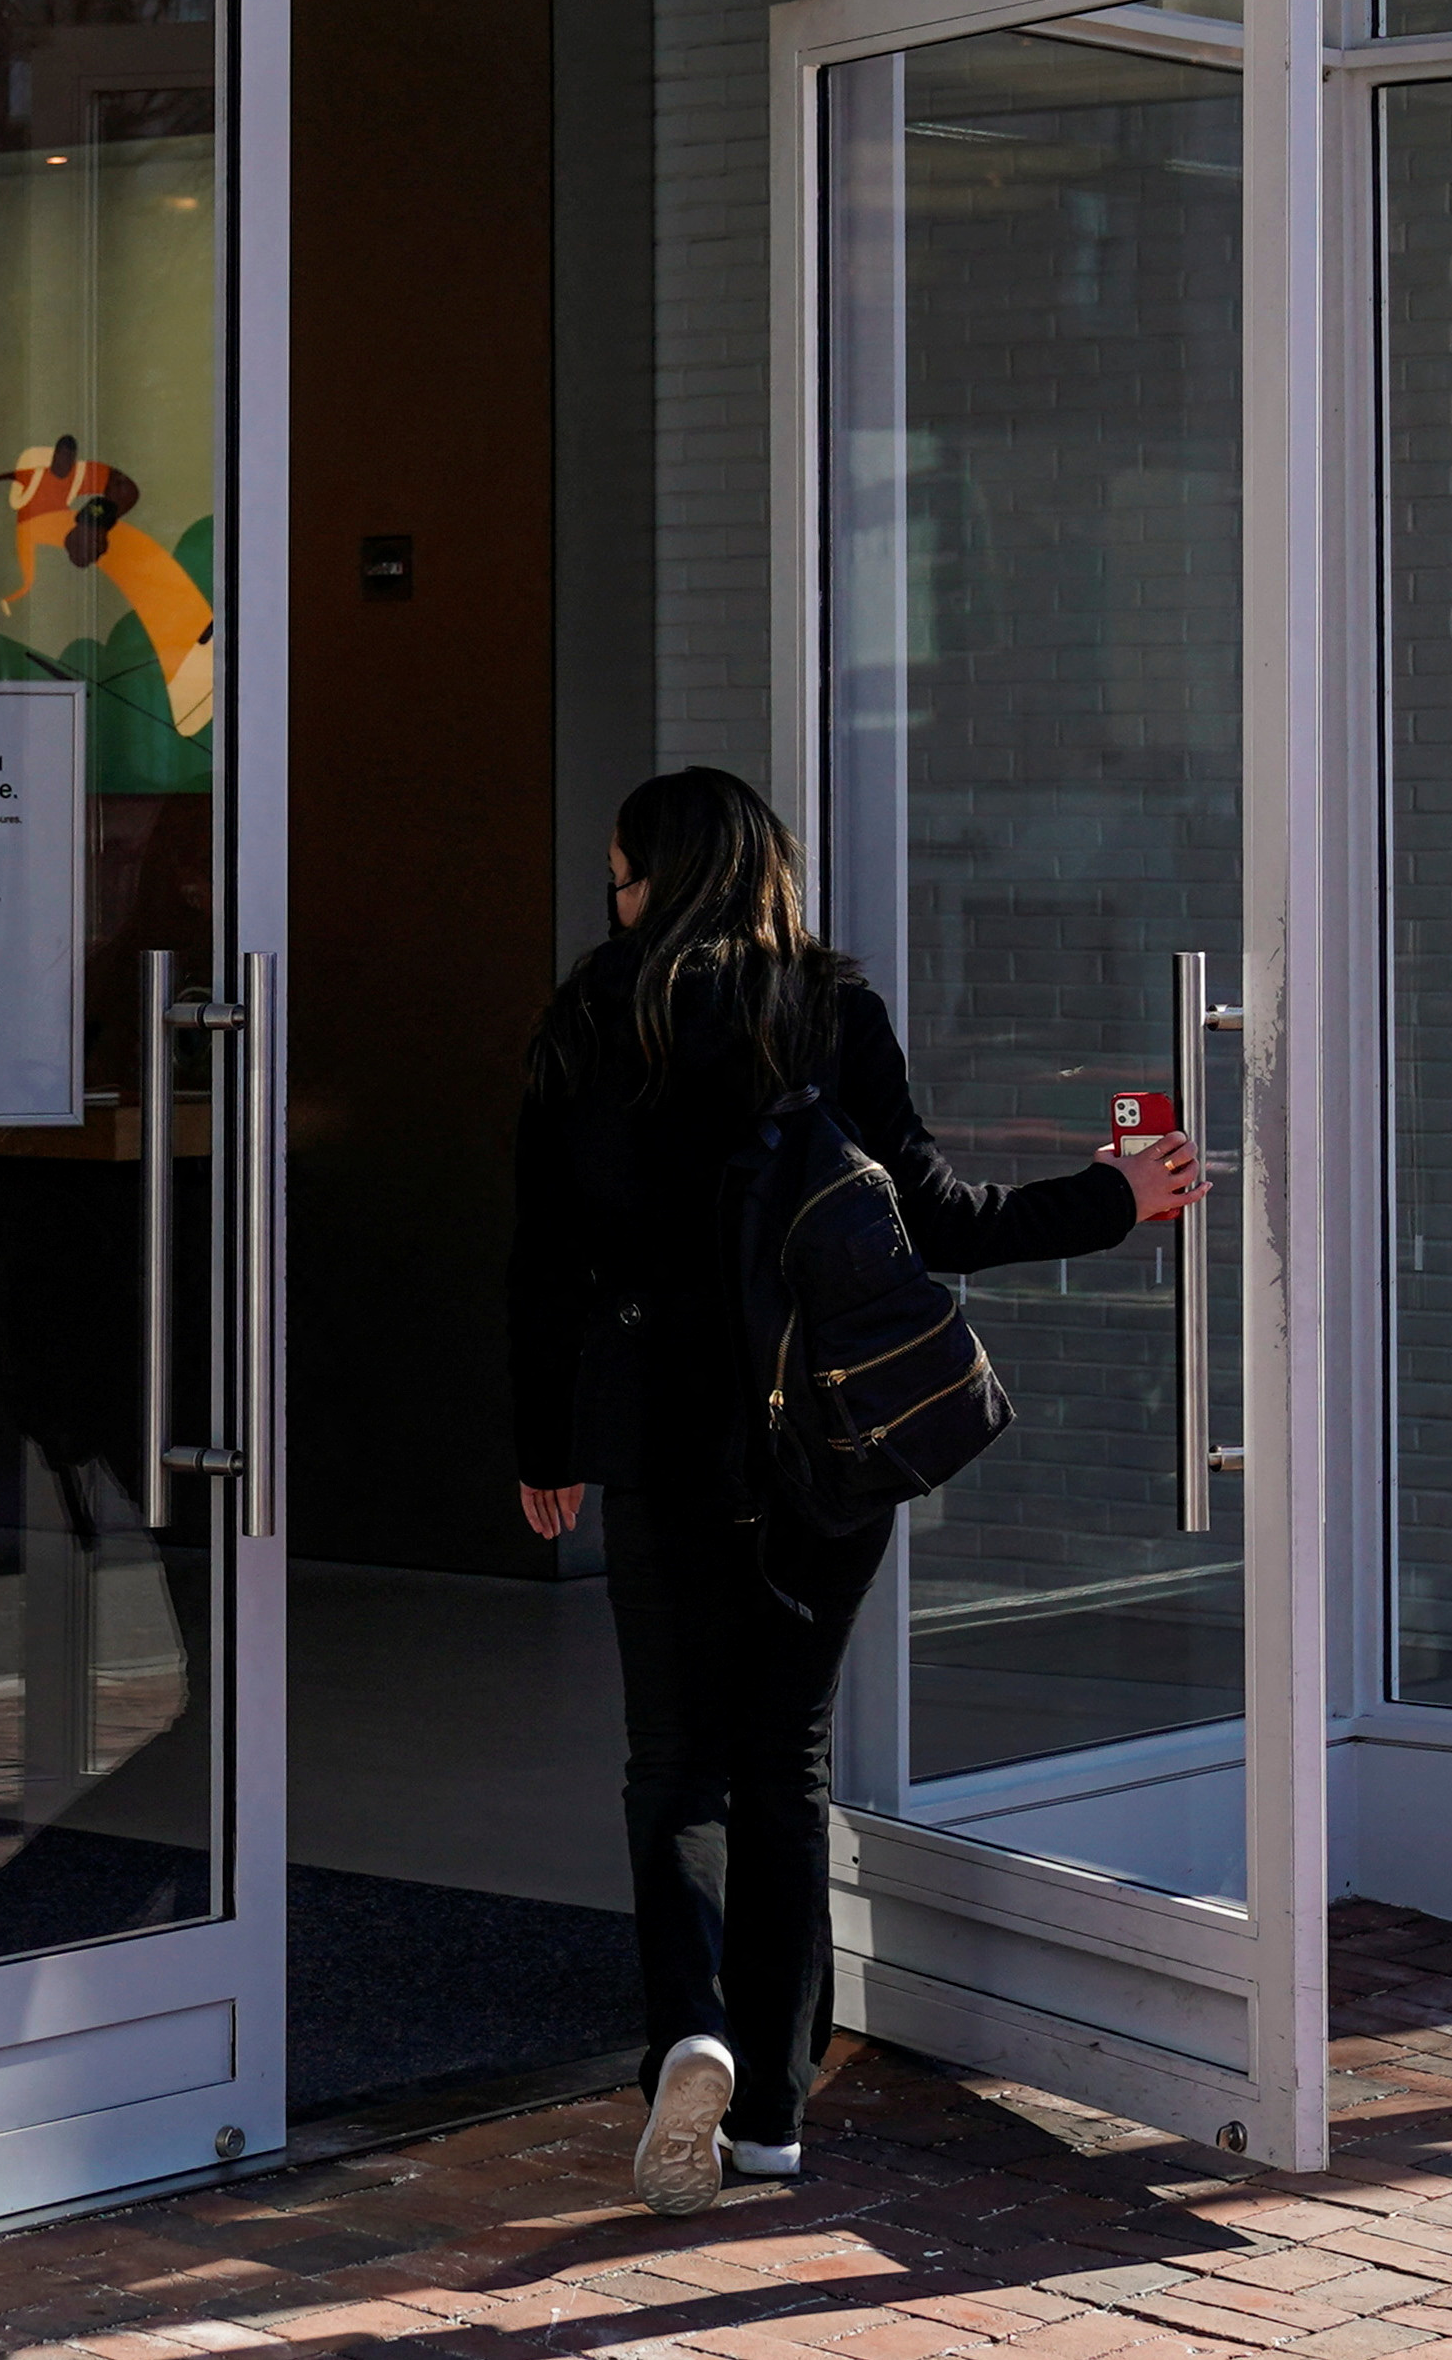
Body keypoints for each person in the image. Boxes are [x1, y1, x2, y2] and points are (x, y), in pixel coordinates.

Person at [505, 767, 1196, 2216]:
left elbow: (540, 1258)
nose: (612, 901)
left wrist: (541, 1445)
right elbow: (932, 1220)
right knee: (784, 1764)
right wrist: (1109, 1199)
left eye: (622, 876)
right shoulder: (822, 1012)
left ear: (665, 877)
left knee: (670, 1763)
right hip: (816, 1443)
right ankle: (768, 2119)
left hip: (650, 1433)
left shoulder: (588, 1016)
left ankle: (684, 2027)